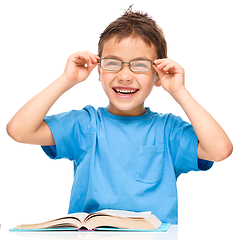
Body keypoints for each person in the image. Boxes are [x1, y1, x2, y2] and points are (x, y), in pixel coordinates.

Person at [6, 7, 233, 224]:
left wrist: (179, 91)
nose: (125, 76)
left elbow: (220, 150)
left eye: (140, 65)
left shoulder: (168, 130)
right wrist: (67, 80)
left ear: (158, 75)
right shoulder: (86, 124)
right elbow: (19, 130)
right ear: (100, 71)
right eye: (113, 64)